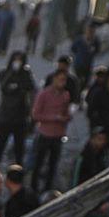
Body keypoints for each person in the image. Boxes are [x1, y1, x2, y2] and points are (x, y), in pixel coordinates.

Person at [29, 63, 73, 195]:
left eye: (64, 80)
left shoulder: (65, 95)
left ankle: (47, 189)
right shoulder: (44, 94)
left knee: (53, 165)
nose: (62, 82)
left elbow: (66, 113)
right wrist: (54, 117)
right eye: (60, 79)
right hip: (45, 134)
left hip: (58, 135)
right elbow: (36, 114)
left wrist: (66, 117)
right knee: (38, 163)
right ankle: (33, 188)